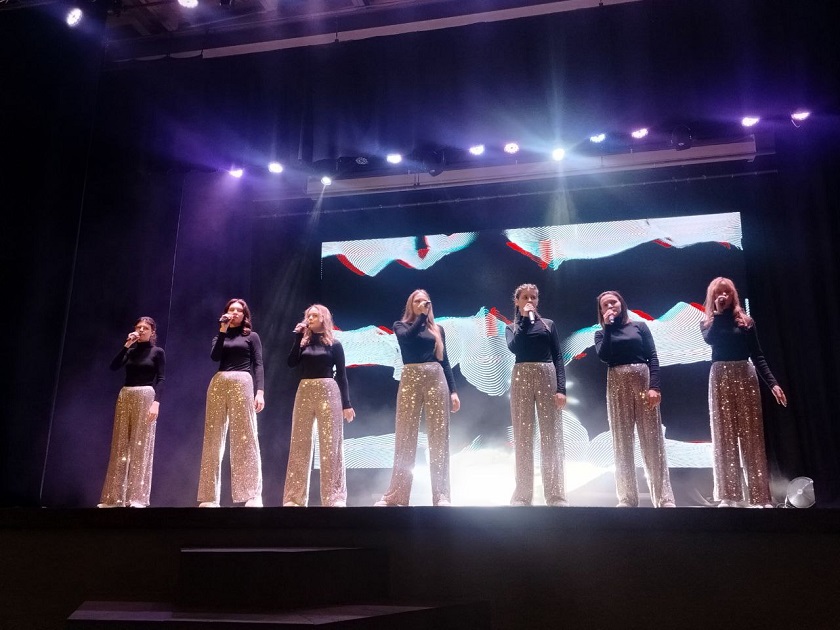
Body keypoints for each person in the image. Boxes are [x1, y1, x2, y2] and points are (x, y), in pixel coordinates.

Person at [700, 277, 787, 508]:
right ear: (712, 297)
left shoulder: (746, 322)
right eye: (718, 293)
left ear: (733, 295)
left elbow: (757, 355)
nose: (723, 296)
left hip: (745, 374)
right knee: (724, 436)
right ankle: (729, 496)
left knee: (752, 435)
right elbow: (711, 340)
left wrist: (773, 384)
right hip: (720, 376)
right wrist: (719, 314)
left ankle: (760, 496)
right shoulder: (707, 323)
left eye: (727, 292)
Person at [375, 289, 460, 506]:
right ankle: (397, 495)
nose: (422, 304)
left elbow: (445, 361)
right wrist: (421, 317)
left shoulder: (438, 330)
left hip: (436, 378)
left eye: (425, 302)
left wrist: (453, 391)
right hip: (411, 379)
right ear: (411, 305)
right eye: (417, 301)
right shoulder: (400, 326)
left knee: (439, 438)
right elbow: (407, 339)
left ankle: (441, 495)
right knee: (405, 436)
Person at [594, 291, 675, 508]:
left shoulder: (640, 326)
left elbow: (653, 357)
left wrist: (654, 386)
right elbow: (604, 356)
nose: (610, 306)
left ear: (621, 303)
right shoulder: (601, 334)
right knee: (622, 442)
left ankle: (664, 498)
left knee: (652, 440)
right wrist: (608, 328)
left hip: (643, 382)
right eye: (605, 305)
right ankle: (627, 498)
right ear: (601, 311)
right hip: (617, 385)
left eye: (613, 302)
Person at [283, 305, 355, 507]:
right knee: (300, 443)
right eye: (308, 316)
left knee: (331, 445)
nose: (310, 318)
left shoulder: (334, 344)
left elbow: (342, 375)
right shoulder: (303, 343)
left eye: (314, 315)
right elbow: (291, 363)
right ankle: (294, 498)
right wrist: (297, 337)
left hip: (328, 390)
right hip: (305, 390)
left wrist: (347, 404)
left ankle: (334, 497)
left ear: (323, 318)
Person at [197, 298, 265, 508]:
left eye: (238, 310)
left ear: (245, 315)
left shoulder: (251, 336)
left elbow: (258, 364)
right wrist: (223, 330)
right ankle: (210, 497)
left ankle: (252, 494)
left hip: (242, 382)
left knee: (245, 438)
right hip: (219, 383)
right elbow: (215, 357)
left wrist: (260, 392)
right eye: (231, 309)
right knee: (213, 439)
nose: (234, 312)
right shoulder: (220, 335)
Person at [505, 283, 568, 506]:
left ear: (538, 300)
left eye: (533, 297)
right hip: (521, 376)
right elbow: (515, 348)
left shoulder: (548, 324)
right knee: (523, 437)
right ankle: (523, 495)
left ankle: (555, 495)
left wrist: (561, 389)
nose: (530, 300)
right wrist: (524, 319)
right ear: (517, 301)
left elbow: (558, 356)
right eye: (525, 297)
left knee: (551, 437)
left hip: (547, 375)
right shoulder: (512, 327)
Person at [98, 316, 166, 508]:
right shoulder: (130, 350)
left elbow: (161, 379)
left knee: (140, 445)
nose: (141, 330)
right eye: (138, 327)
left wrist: (156, 403)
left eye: (145, 328)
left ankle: (136, 498)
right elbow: (113, 366)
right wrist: (127, 345)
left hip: (146, 395)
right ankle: (114, 497)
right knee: (120, 444)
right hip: (126, 395)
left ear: (152, 332)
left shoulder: (157, 352)